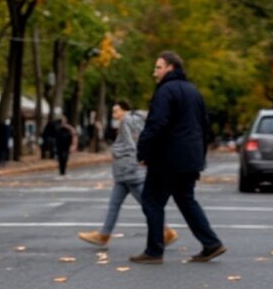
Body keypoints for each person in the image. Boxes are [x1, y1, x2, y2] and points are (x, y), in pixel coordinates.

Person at [130, 51, 226, 264]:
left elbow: (156, 124)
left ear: (170, 68)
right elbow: (204, 127)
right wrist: (199, 157)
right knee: (186, 200)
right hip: (189, 159)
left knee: (152, 201)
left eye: (158, 67)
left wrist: (143, 151)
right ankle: (211, 243)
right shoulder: (193, 91)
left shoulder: (165, 91)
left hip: (167, 159)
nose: (154, 72)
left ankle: (154, 251)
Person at [77, 101, 177, 248]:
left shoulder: (126, 121)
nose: (114, 115)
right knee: (116, 204)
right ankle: (103, 235)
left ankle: (166, 231)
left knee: (147, 204)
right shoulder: (137, 120)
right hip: (126, 172)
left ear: (124, 110)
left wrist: (130, 163)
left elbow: (131, 145)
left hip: (128, 171)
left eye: (116, 111)